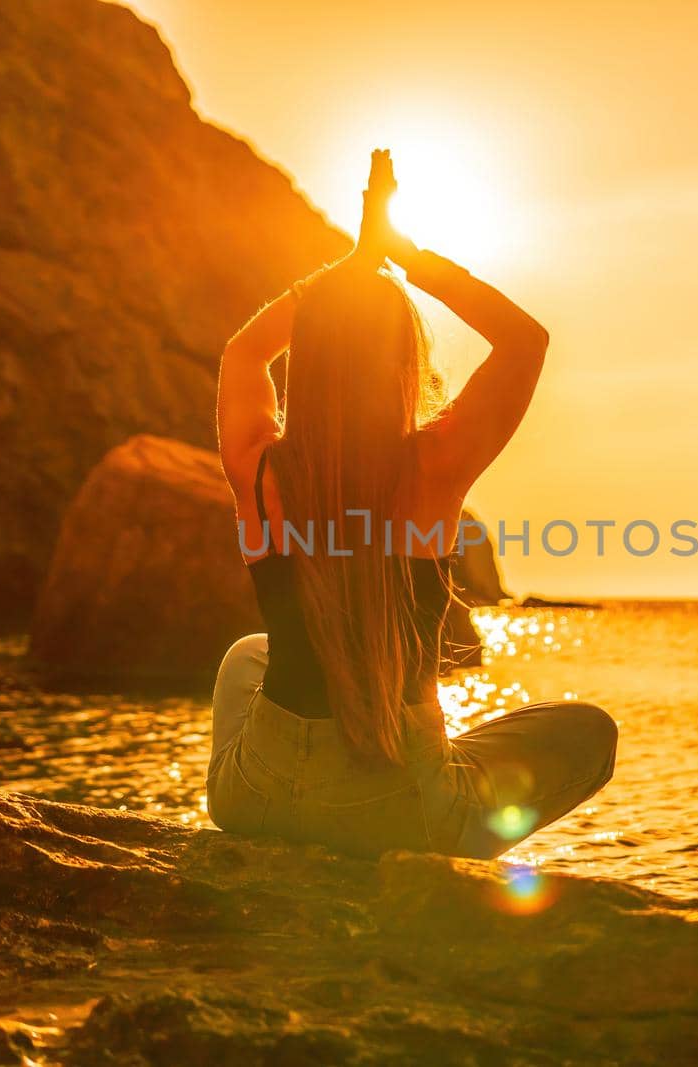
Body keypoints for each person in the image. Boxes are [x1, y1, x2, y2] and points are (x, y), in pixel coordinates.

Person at [207, 149, 615, 859]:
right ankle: (435, 814)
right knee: (589, 732)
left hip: (257, 798)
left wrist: (347, 271)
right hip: (398, 810)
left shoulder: (260, 468)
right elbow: (525, 341)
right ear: (402, 358)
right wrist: (404, 256)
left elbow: (243, 354)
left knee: (248, 654)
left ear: (308, 353)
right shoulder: (434, 468)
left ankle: (305, 795)